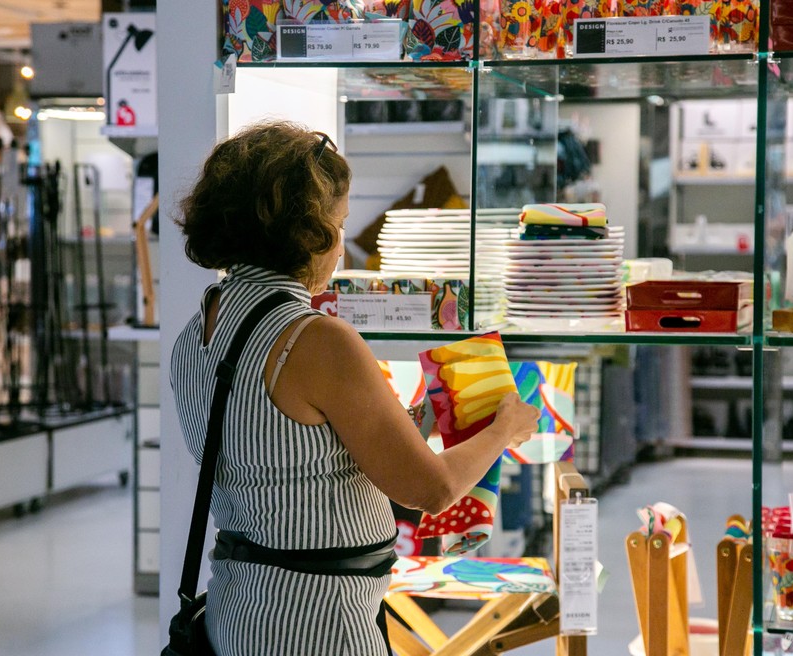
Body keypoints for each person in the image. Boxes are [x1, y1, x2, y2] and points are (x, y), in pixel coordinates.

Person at [170, 120, 539, 656]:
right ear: (305, 231)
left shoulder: (201, 327)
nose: (342, 248)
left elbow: (290, 454)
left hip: (239, 608)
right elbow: (430, 490)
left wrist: (419, 422)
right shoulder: (314, 338)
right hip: (317, 622)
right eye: (339, 225)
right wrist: (504, 428)